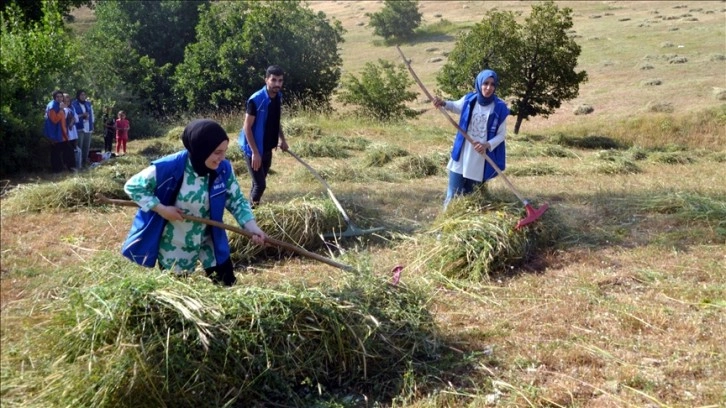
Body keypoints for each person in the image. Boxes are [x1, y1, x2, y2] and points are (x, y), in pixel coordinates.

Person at [122, 119, 267, 286]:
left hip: (209, 237)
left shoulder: (223, 169)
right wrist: (161, 209)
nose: (222, 158)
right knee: (179, 293)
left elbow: (237, 201)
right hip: (176, 241)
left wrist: (252, 227)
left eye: (224, 151)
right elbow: (133, 186)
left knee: (227, 284)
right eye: (217, 152)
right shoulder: (169, 167)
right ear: (201, 149)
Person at [432, 69, 510, 209]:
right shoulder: (470, 100)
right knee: (452, 195)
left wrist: (486, 145)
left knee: (471, 197)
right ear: (479, 83)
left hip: (479, 158)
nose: (488, 87)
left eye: (492, 84)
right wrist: (443, 103)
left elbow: (501, 135)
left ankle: (465, 226)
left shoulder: (499, 107)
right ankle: (444, 225)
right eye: (485, 83)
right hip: (462, 153)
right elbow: (455, 106)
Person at [238, 65, 289, 208]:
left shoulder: (278, 97)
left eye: (280, 81)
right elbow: (247, 127)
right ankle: (252, 215)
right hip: (253, 149)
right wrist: (254, 153)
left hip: (267, 147)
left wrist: (282, 139)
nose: (277, 84)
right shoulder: (256, 100)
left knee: (257, 183)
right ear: (266, 80)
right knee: (261, 185)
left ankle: (249, 210)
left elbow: (275, 120)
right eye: (274, 80)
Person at [43, 90, 68, 173]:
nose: (60, 98)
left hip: (60, 133)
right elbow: (54, 120)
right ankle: (56, 170)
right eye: (58, 96)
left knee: (59, 152)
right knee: (55, 153)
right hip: (54, 134)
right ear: (54, 97)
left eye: (61, 96)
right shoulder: (52, 106)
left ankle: (59, 169)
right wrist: (61, 110)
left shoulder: (58, 104)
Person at [72, 89, 94, 167]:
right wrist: (82, 115)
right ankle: (78, 163)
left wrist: (92, 124)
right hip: (79, 128)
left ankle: (85, 162)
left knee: (86, 147)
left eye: (84, 95)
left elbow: (92, 115)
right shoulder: (74, 104)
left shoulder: (88, 104)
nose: (83, 96)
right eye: (81, 95)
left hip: (88, 128)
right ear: (78, 96)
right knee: (79, 147)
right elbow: (73, 116)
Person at [63, 93, 81, 171]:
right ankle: (70, 166)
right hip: (66, 132)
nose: (68, 99)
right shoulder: (63, 108)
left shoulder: (72, 108)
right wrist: (71, 120)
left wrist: (72, 120)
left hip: (73, 131)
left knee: (73, 149)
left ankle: (75, 165)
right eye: (66, 98)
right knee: (68, 149)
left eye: (68, 98)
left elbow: (76, 119)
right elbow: (64, 118)